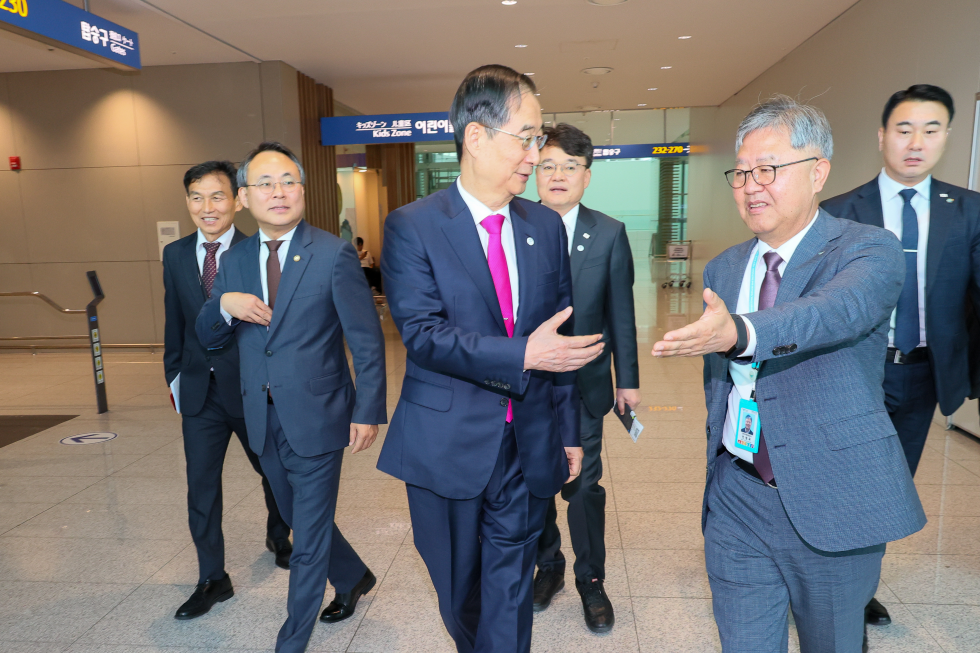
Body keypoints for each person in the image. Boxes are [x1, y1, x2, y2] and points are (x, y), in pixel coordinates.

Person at [652, 95, 926, 653]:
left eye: (770, 169)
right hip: (737, 495)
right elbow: (721, 383)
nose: (752, 185)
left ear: (818, 171)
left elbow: (832, 312)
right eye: (743, 172)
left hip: (833, 497)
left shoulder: (867, 250)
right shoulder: (725, 267)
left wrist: (743, 333)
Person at [378, 65, 604, 653]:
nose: (536, 155)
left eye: (538, 139)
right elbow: (423, 334)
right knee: (461, 596)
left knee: (510, 586)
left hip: (526, 441)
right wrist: (521, 352)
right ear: (476, 137)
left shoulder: (543, 227)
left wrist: (568, 432)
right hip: (446, 443)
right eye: (525, 138)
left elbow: (557, 342)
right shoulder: (414, 226)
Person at [195, 142, 386, 653]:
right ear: (244, 197)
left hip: (319, 415)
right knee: (300, 516)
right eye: (265, 183)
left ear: (303, 190)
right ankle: (353, 577)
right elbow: (208, 337)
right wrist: (223, 306)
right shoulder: (232, 258)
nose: (278, 192)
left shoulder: (332, 252)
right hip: (259, 416)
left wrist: (367, 410)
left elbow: (365, 339)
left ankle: (291, 641)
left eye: (288, 181)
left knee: (307, 537)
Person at [822, 85, 980, 627]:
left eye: (931, 130)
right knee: (845, 483)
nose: (916, 143)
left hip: (921, 375)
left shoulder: (969, 211)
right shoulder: (840, 212)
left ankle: (861, 586)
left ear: (947, 138)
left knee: (890, 487)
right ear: (882, 136)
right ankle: (838, 592)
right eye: (904, 129)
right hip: (855, 372)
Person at [163, 160, 291, 621]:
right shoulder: (175, 255)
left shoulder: (260, 251)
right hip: (200, 393)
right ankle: (212, 578)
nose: (206, 207)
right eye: (196, 197)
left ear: (237, 199)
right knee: (201, 487)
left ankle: (280, 535)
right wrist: (174, 376)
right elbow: (174, 322)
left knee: (273, 471)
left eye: (217, 196)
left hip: (252, 388)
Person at [529, 123, 639, 634]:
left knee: (584, 487)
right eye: (547, 165)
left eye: (569, 167)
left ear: (586, 177)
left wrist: (627, 380)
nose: (557, 175)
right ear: (534, 171)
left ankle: (590, 581)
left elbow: (622, 313)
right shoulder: (512, 227)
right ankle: (547, 565)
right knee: (534, 484)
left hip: (585, 383)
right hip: (526, 382)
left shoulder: (609, 232)